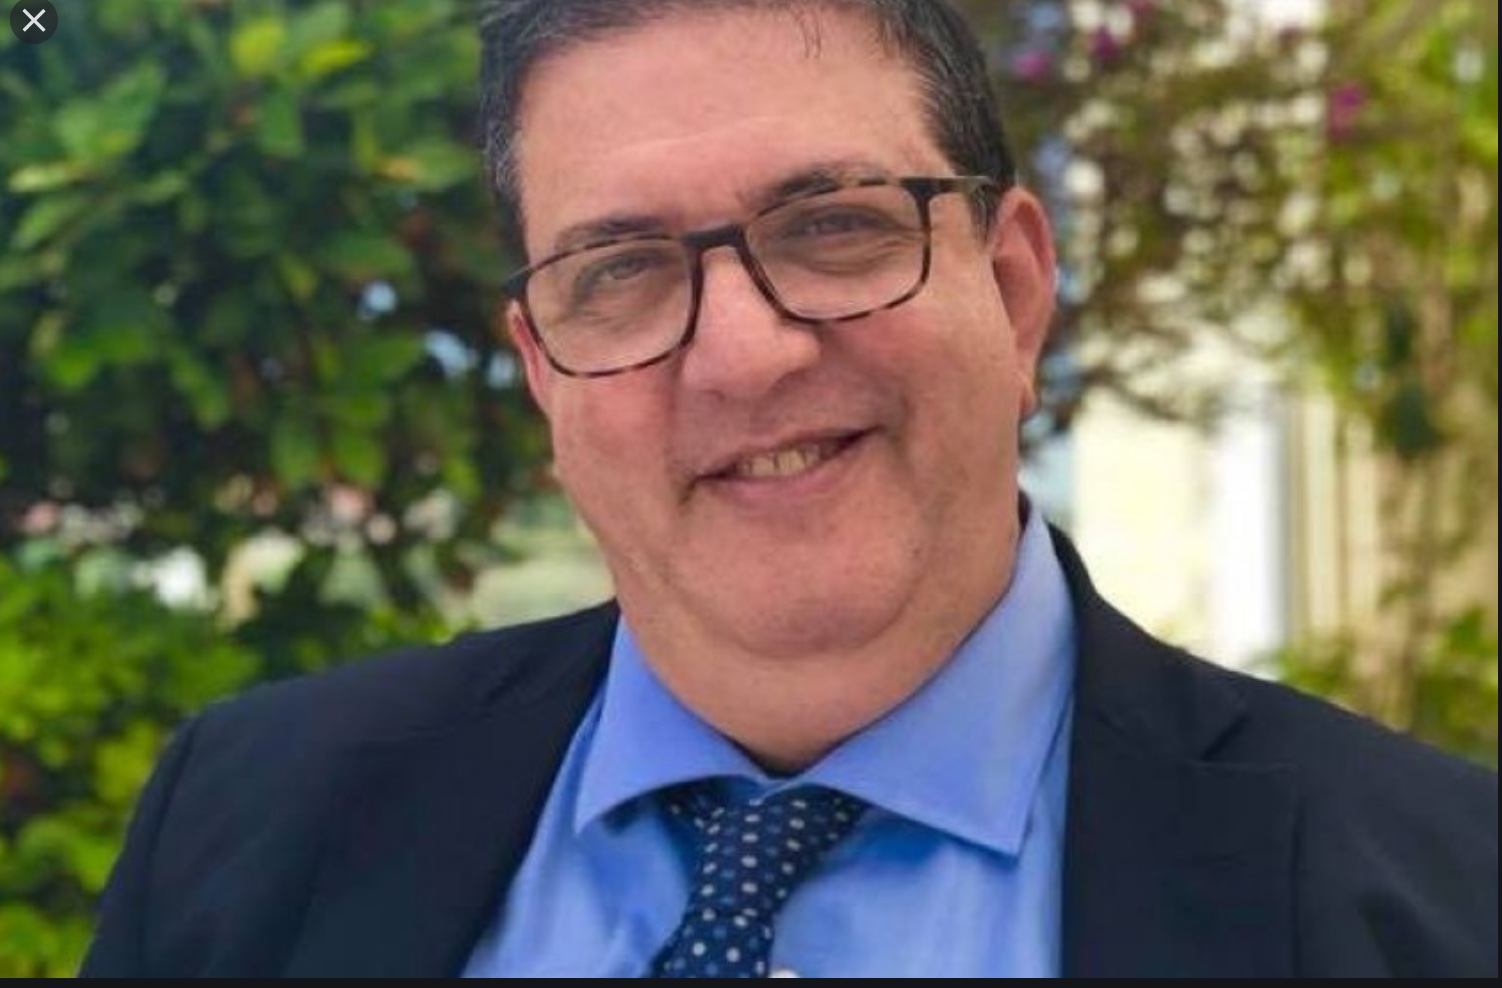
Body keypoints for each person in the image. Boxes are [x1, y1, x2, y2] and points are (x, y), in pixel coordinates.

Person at [81, 0, 1496, 978]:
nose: (745, 354)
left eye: (830, 227)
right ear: (543, 374)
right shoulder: (245, 826)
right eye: (620, 270)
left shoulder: (1446, 899)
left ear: (1013, 291)